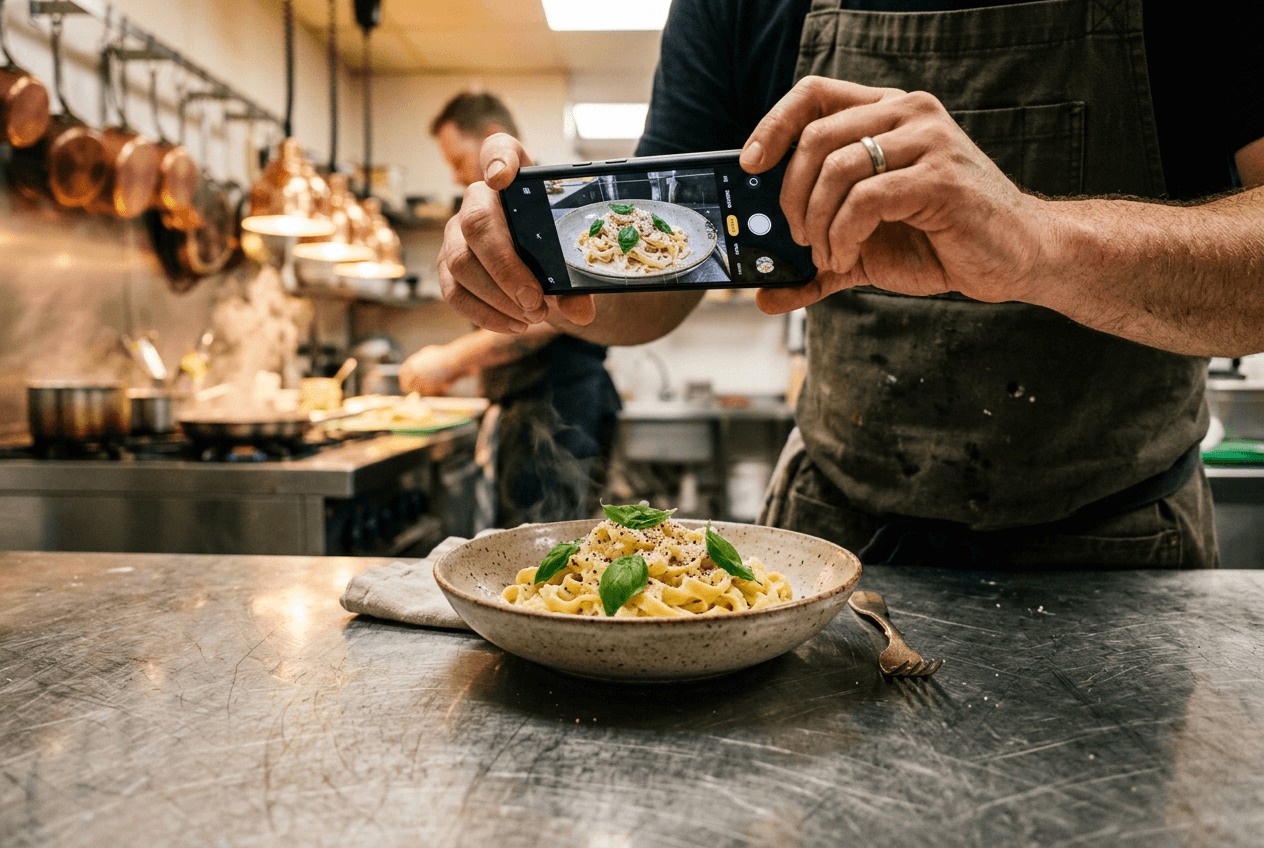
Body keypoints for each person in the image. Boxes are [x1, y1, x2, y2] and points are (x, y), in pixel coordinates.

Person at [431, 0, 1264, 567]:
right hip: (835, 535)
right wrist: (545, 257)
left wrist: (1036, 240)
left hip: (1121, 544)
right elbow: (653, 292)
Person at [400, 92, 621, 529]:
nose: (454, 174)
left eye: (457, 159)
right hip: (537, 410)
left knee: (548, 549)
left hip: (560, 409)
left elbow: (548, 321)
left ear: (490, 139)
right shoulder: (507, 213)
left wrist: (450, 361)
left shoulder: (552, 202)